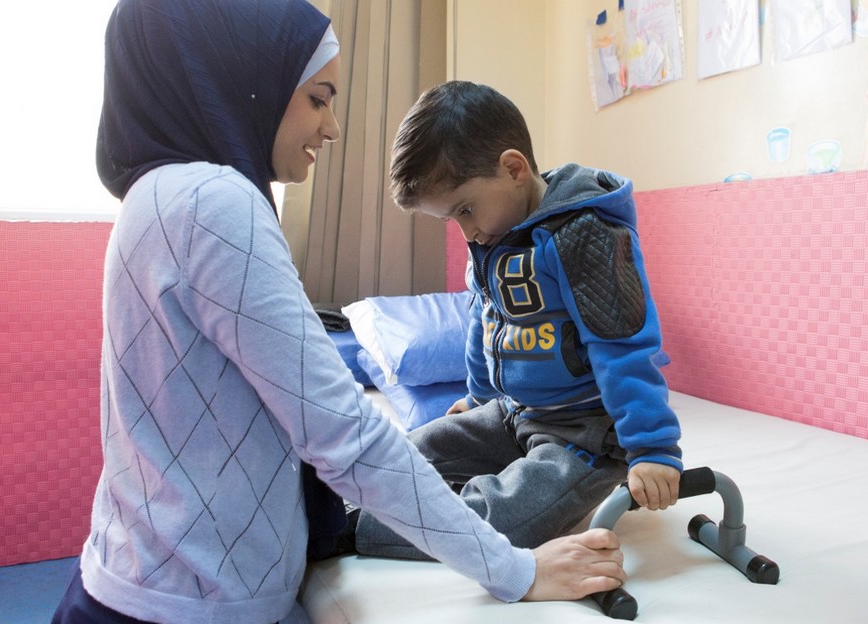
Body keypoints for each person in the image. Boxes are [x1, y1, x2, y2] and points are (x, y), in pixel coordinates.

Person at [51, 3, 627, 623]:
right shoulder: (214, 203)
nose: (331, 127)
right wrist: (517, 569)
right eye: (317, 99)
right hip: (187, 604)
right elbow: (342, 432)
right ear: (249, 82)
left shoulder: (154, 195)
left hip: (136, 573)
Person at [352, 80, 683, 560]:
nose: (466, 231)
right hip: (513, 415)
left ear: (513, 168)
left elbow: (623, 344)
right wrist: (478, 399)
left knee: (504, 520)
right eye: (451, 219)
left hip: (585, 434)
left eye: (466, 209)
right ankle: (335, 501)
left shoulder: (584, 234)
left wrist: (652, 448)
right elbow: (484, 322)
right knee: (407, 453)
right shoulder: (491, 238)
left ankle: (350, 531)